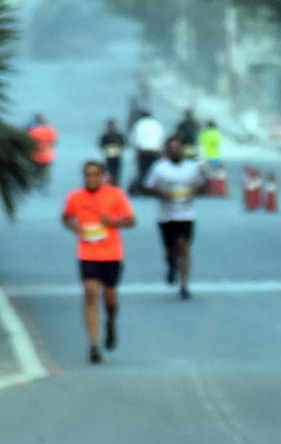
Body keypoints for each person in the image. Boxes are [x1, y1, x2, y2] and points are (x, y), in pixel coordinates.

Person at [61, 161, 136, 363]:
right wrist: (76, 229)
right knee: (91, 293)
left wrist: (112, 222)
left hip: (111, 254)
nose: (91, 179)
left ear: (103, 176)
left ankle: (111, 320)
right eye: (87, 175)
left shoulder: (115, 195)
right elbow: (66, 217)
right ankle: (93, 344)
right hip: (87, 253)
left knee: (109, 298)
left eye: (95, 175)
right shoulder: (75, 197)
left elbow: (131, 220)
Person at [144, 137, 205, 300]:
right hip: (166, 215)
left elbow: (201, 184)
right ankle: (171, 265)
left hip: (186, 213)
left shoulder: (191, 168)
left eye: (178, 148)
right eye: (172, 148)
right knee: (171, 249)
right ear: (167, 151)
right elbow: (148, 187)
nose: (175, 151)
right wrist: (162, 194)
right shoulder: (159, 168)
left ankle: (184, 285)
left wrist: (193, 191)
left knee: (184, 247)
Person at [130, 110, 164, 195]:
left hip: (143, 151)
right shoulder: (157, 125)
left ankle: (140, 188)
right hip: (155, 151)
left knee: (142, 170)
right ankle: (150, 188)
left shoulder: (139, 124)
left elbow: (134, 139)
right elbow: (162, 138)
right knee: (152, 171)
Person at [27, 114, 57, 189]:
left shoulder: (33, 131)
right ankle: (43, 184)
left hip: (35, 157)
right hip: (48, 157)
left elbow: (28, 143)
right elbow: (54, 142)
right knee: (45, 172)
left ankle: (34, 183)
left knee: (35, 171)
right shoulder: (51, 130)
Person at [99, 119, 126, 186]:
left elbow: (123, 144)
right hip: (109, 157)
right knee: (109, 173)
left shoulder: (118, 136)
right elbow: (101, 146)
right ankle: (111, 185)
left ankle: (115, 185)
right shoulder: (106, 136)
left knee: (116, 174)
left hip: (116, 157)